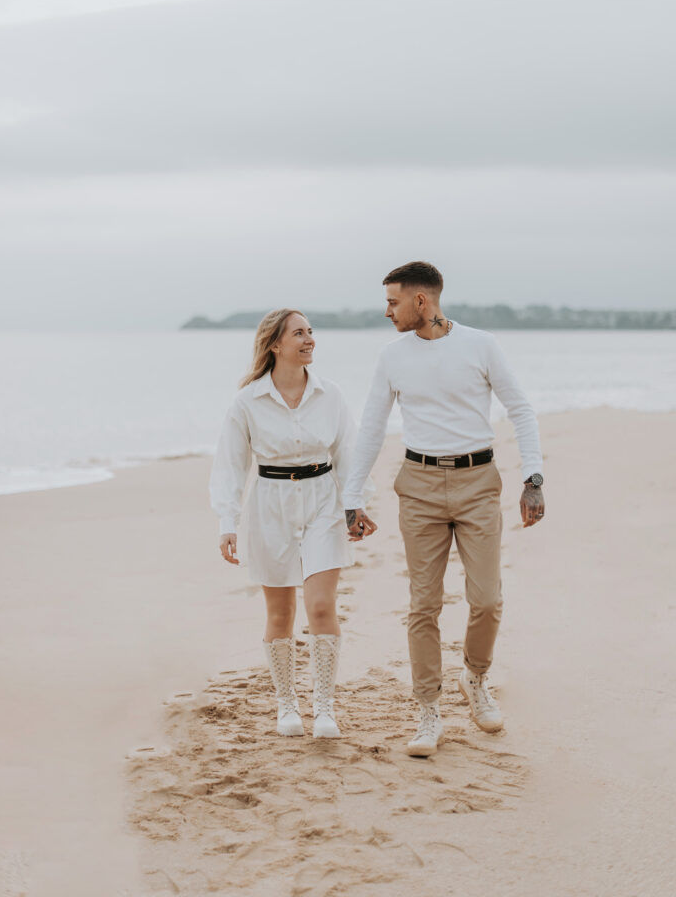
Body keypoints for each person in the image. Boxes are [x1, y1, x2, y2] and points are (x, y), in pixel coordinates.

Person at [343, 262, 545, 757]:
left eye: (393, 302)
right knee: (423, 604)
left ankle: (474, 678)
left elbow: (520, 407)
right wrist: (352, 496)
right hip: (419, 485)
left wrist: (533, 478)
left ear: (420, 301)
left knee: (487, 599)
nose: (386, 311)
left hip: (478, 482)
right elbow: (371, 428)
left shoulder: (481, 345)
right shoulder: (392, 357)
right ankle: (427, 708)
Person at [210, 309, 372, 740]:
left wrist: (355, 506)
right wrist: (228, 521)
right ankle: (287, 704)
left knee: (321, 606)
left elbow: (349, 453)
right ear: (275, 345)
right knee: (280, 612)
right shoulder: (247, 401)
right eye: (299, 333)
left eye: (311, 332)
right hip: (270, 507)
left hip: (323, 501)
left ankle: (324, 708)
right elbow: (230, 466)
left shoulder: (330, 395)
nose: (310, 340)